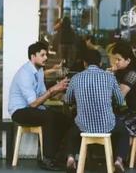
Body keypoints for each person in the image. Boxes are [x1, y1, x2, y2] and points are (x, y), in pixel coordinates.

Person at [8, 41, 71, 171]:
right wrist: (53, 90)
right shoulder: (25, 73)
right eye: (42, 55)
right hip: (20, 111)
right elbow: (33, 103)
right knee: (49, 117)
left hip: (34, 109)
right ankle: (46, 158)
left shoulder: (40, 70)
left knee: (64, 118)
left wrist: (58, 90)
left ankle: (58, 157)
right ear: (33, 56)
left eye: (46, 55)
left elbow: (42, 95)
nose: (46, 58)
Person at [64, 49, 129, 173]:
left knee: (71, 132)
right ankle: (118, 160)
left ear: (84, 63)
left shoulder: (76, 78)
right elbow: (120, 101)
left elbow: (67, 100)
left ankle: (71, 157)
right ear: (100, 62)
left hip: (83, 125)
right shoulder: (109, 77)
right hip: (107, 125)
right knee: (123, 132)